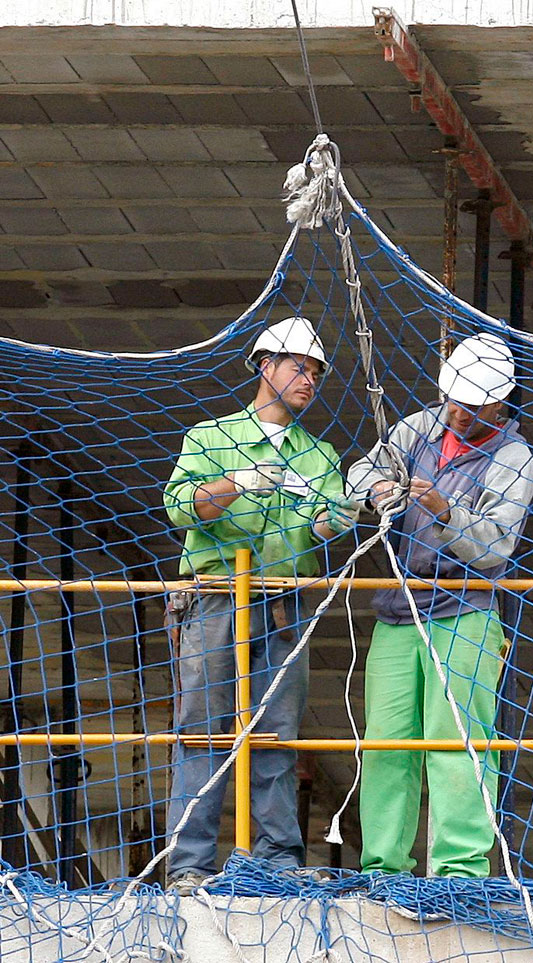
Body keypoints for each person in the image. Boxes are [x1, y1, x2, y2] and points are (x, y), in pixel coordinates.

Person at [162, 315, 360, 890]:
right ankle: (190, 864)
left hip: (282, 603)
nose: (309, 381)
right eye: (299, 367)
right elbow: (180, 505)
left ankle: (277, 861)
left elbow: (322, 523)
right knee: (203, 730)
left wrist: (337, 520)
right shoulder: (210, 438)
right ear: (264, 367)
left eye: (317, 374)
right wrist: (233, 484)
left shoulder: (320, 455)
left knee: (275, 732)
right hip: (216, 598)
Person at [347, 332, 533, 877]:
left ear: (498, 404)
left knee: (459, 741)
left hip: (465, 611)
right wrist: (377, 491)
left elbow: (497, 545)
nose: (457, 412)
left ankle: (460, 869)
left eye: (471, 406)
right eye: (453, 399)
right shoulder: (419, 427)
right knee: (386, 743)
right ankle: (382, 867)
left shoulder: (513, 458)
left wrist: (443, 508)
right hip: (399, 607)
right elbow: (361, 471)